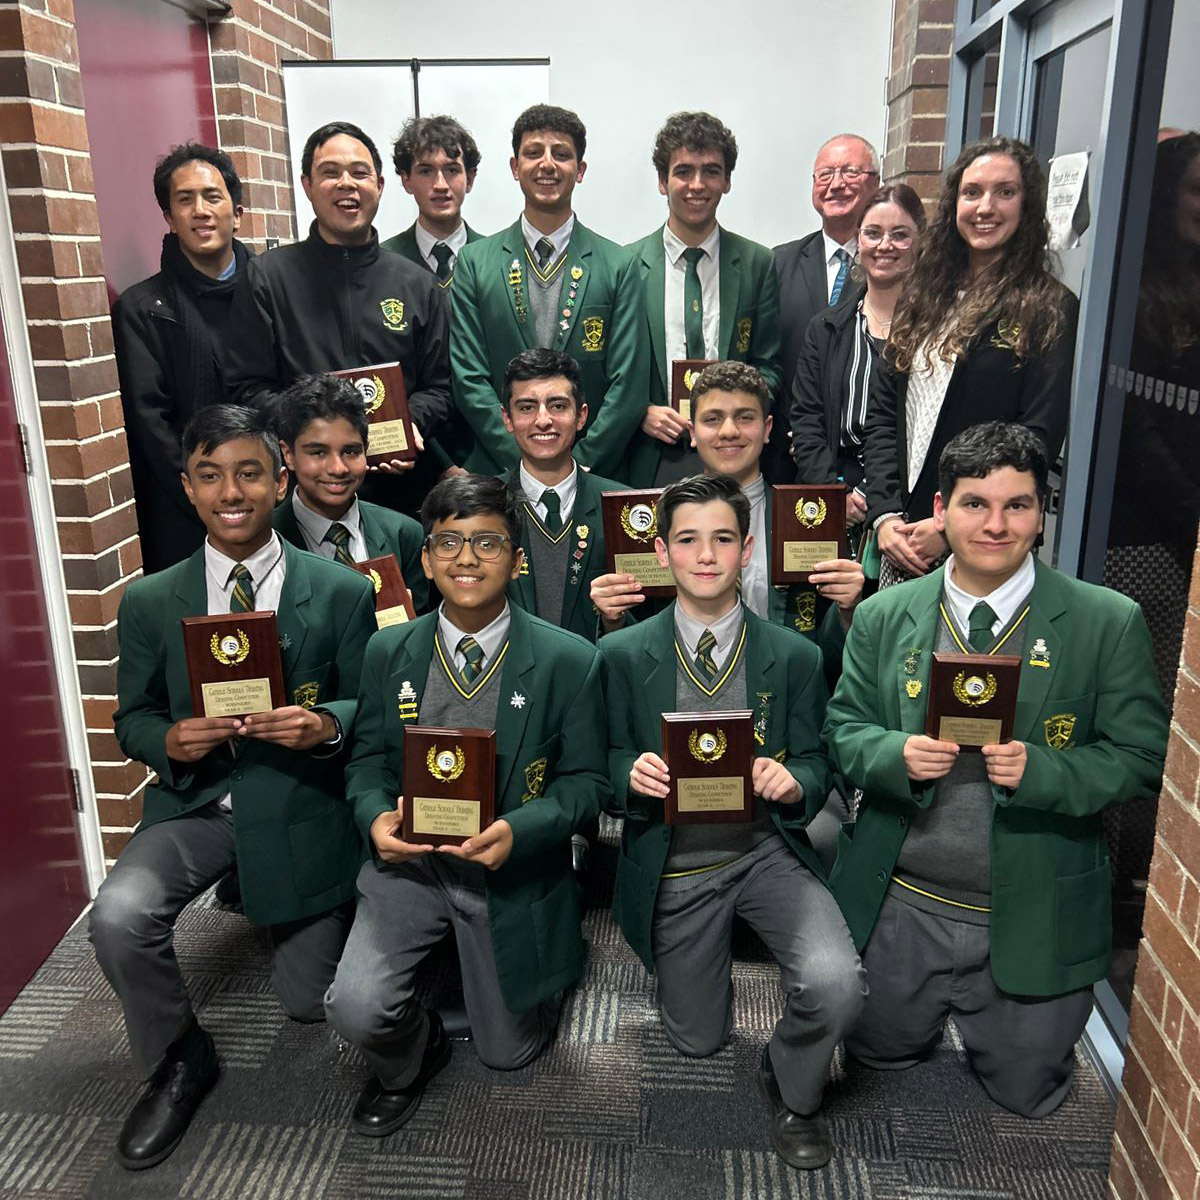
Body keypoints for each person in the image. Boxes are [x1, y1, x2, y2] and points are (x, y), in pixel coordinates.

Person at [824, 422, 1168, 1118]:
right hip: (903, 898)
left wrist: (1045, 770)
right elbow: (844, 729)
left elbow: (1141, 759)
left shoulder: (1108, 621)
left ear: (1042, 515)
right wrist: (895, 755)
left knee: (1026, 1095)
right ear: (942, 511)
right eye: (976, 503)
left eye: (1019, 505)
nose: (996, 524)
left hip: (1034, 901)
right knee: (876, 1062)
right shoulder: (884, 615)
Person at [89, 404, 377, 1170]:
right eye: (210, 475)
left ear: (281, 479)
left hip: (300, 804)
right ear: (186, 488)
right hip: (202, 804)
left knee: (310, 1003)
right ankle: (178, 1057)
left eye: (250, 472)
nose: (232, 491)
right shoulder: (152, 600)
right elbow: (134, 718)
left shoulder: (341, 591)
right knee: (118, 914)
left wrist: (326, 725)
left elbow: (373, 707)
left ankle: (306, 903)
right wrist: (167, 739)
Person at [326, 474, 609, 1137]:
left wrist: (523, 828)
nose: (467, 558)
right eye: (448, 542)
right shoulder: (387, 649)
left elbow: (590, 783)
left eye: (488, 542)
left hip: (506, 866)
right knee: (356, 1009)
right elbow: (366, 760)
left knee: (507, 1054)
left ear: (516, 560)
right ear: (424, 560)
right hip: (413, 866)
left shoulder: (569, 660)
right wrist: (374, 817)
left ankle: (542, 964)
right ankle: (411, 1051)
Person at [599, 473, 865, 1171]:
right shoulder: (621, 655)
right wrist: (627, 773)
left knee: (837, 985)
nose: (707, 555)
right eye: (688, 540)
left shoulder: (795, 655)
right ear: (661, 552)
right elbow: (597, 759)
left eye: (723, 539)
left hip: (763, 850)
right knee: (696, 1041)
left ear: (748, 550)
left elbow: (818, 762)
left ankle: (794, 1084)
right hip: (676, 863)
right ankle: (693, 982)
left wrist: (794, 780)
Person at [864, 136, 1078, 585]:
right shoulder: (921, 294)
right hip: (903, 536)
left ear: (1027, 204)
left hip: (983, 539)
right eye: (972, 192)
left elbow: (1036, 436)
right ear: (954, 203)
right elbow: (885, 414)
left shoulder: (1048, 307)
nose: (986, 207)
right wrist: (884, 515)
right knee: (900, 654)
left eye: (1005, 192)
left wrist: (950, 525)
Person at [223, 120, 453, 511]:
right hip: (303, 497)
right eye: (330, 172)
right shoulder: (267, 278)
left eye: (359, 173)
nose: (347, 184)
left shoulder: (415, 283)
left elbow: (441, 385)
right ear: (307, 185)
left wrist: (408, 423)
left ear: (379, 186)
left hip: (402, 494)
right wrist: (314, 434)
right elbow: (247, 386)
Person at [592, 362, 864, 679]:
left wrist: (848, 611)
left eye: (745, 417)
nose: (729, 431)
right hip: (682, 698)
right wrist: (613, 618)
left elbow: (827, 655)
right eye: (713, 419)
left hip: (781, 696)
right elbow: (641, 646)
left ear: (767, 428)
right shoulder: (657, 519)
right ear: (692, 432)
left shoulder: (810, 520)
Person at [450, 105, 649, 477]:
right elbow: (468, 379)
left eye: (561, 154)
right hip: (499, 472)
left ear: (581, 170)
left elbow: (629, 386)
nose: (547, 164)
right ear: (514, 167)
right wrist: (525, 461)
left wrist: (580, 463)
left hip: (595, 473)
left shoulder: (618, 264)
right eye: (533, 152)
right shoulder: (475, 263)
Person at [113, 143, 250, 573]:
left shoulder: (272, 291)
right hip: (186, 511)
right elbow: (149, 421)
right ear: (170, 219)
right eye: (185, 200)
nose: (201, 211)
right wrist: (209, 493)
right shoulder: (144, 309)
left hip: (275, 500)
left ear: (237, 211)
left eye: (213, 197)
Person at [625, 112, 781, 485]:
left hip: (731, 454)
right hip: (651, 455)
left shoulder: (758, 263)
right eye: (683, 171)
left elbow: (770, 366)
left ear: (727, 181)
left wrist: (734, 414)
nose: (697, 184)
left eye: (711, 171)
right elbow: (613, 372)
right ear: (663, 182)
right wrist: (640, 411)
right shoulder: (626, 265)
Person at [790, 185, 926, 535]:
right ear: (858, 241)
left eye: (900, 235)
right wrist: (835, 492)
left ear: (920, 241)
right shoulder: (826, 328)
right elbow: (806, 420)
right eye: (873, 233)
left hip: (911, 495)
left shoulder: (937, 331)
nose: (885, 246)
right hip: (836, 492)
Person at [271, 373, 429, 612]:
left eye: (351, 452)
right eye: (318, 453)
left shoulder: (404, 534)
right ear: (288, 454)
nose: (338, 468)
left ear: (366, 449)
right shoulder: (266, 537)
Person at [499, 348, 627, 641]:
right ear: (507, 418)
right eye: (527, 407)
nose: (543, 420)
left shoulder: (623, 507)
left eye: (557, 406)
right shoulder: (485, 506)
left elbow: (652, 621)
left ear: (581, 416)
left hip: (599, 676)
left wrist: (615, 621)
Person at [773, 134, 879, 476]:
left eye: (850, 172)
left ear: (875, 183)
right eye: (825, 174)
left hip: (867, 463)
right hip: (784, 458)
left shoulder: (896, 271)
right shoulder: (777, 264)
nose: (836, 184)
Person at [381, 114, 483, 287]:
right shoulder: (383, 262)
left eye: (451, 170)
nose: (440, 185)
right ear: (406, 180)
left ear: (470, 179)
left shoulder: (494, 259)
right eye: (426, 171)